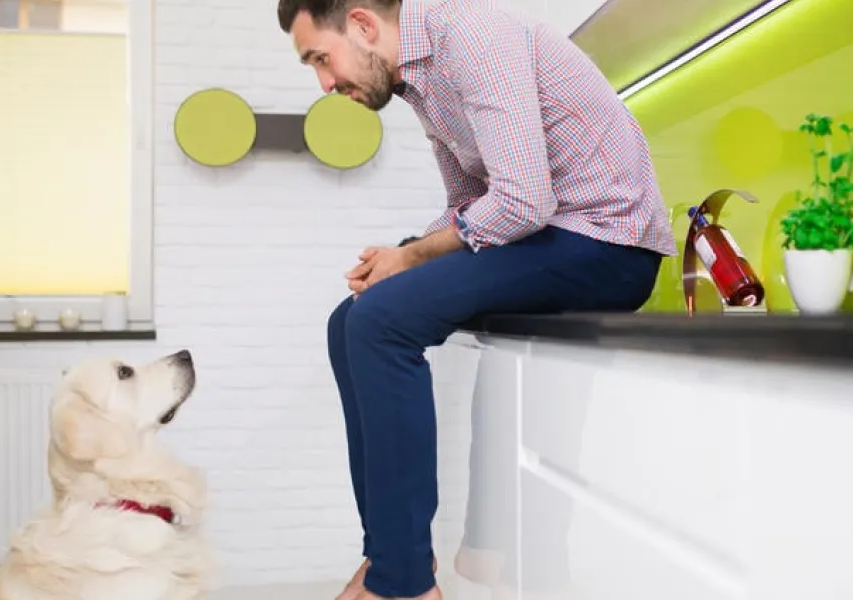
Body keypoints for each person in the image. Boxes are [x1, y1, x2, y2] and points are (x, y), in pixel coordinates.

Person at [276, 0, 676, 598]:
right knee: (351, 320)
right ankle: (389, 555)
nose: (325, 84)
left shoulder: (472, 39)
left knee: (380, 321)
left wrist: (412, 257)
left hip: (607, 243)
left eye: (320, 59)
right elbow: (469, 207)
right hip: (549, 238)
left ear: (362, 24)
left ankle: (405, 582)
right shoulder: (419, 78)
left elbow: (522, 202)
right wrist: (401, 256)